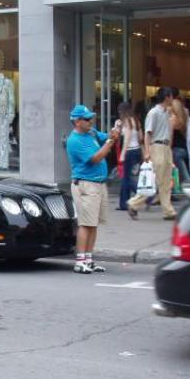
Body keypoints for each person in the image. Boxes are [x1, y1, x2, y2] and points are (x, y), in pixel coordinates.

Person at [66, 105, 120, 274]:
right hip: (86, 184)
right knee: (85, 223)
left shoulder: (91, 132)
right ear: (76, 121)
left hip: (97, 183)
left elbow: (106, 138)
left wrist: (114, 133)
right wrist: (111, 141)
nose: (91, 121)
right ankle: (80, 260)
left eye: (91, 118)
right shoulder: (74, 140)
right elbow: (95, 158)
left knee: (93, 223)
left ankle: (88, 260)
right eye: (87, 119)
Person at [127, 87, 177, 221]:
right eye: (172, 96)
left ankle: (168, 210)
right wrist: (147, 152)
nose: (173, 99)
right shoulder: (153, 113)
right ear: (167, 97)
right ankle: (133, 204)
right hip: (157, 147)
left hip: (166, 148)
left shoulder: (167, 113)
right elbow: (148, 134)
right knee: (154, 181)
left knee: (166, 182)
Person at [116, 102, 143, 211]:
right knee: (129, 177)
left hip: (129, 151)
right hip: (137, 150)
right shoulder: (136, 121)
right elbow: (141, 137)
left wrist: (122, 154)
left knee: (126, 178)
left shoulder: (127, 122)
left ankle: (140, 196)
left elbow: (126, 139)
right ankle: (126, 202)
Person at [170, 93, 190, 182]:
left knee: (182, 177)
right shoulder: (184, 117)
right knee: (184, 173)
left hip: (176, 150)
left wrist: (168, 151)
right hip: (185, 149)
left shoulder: (172, 120)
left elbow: (170, 138)